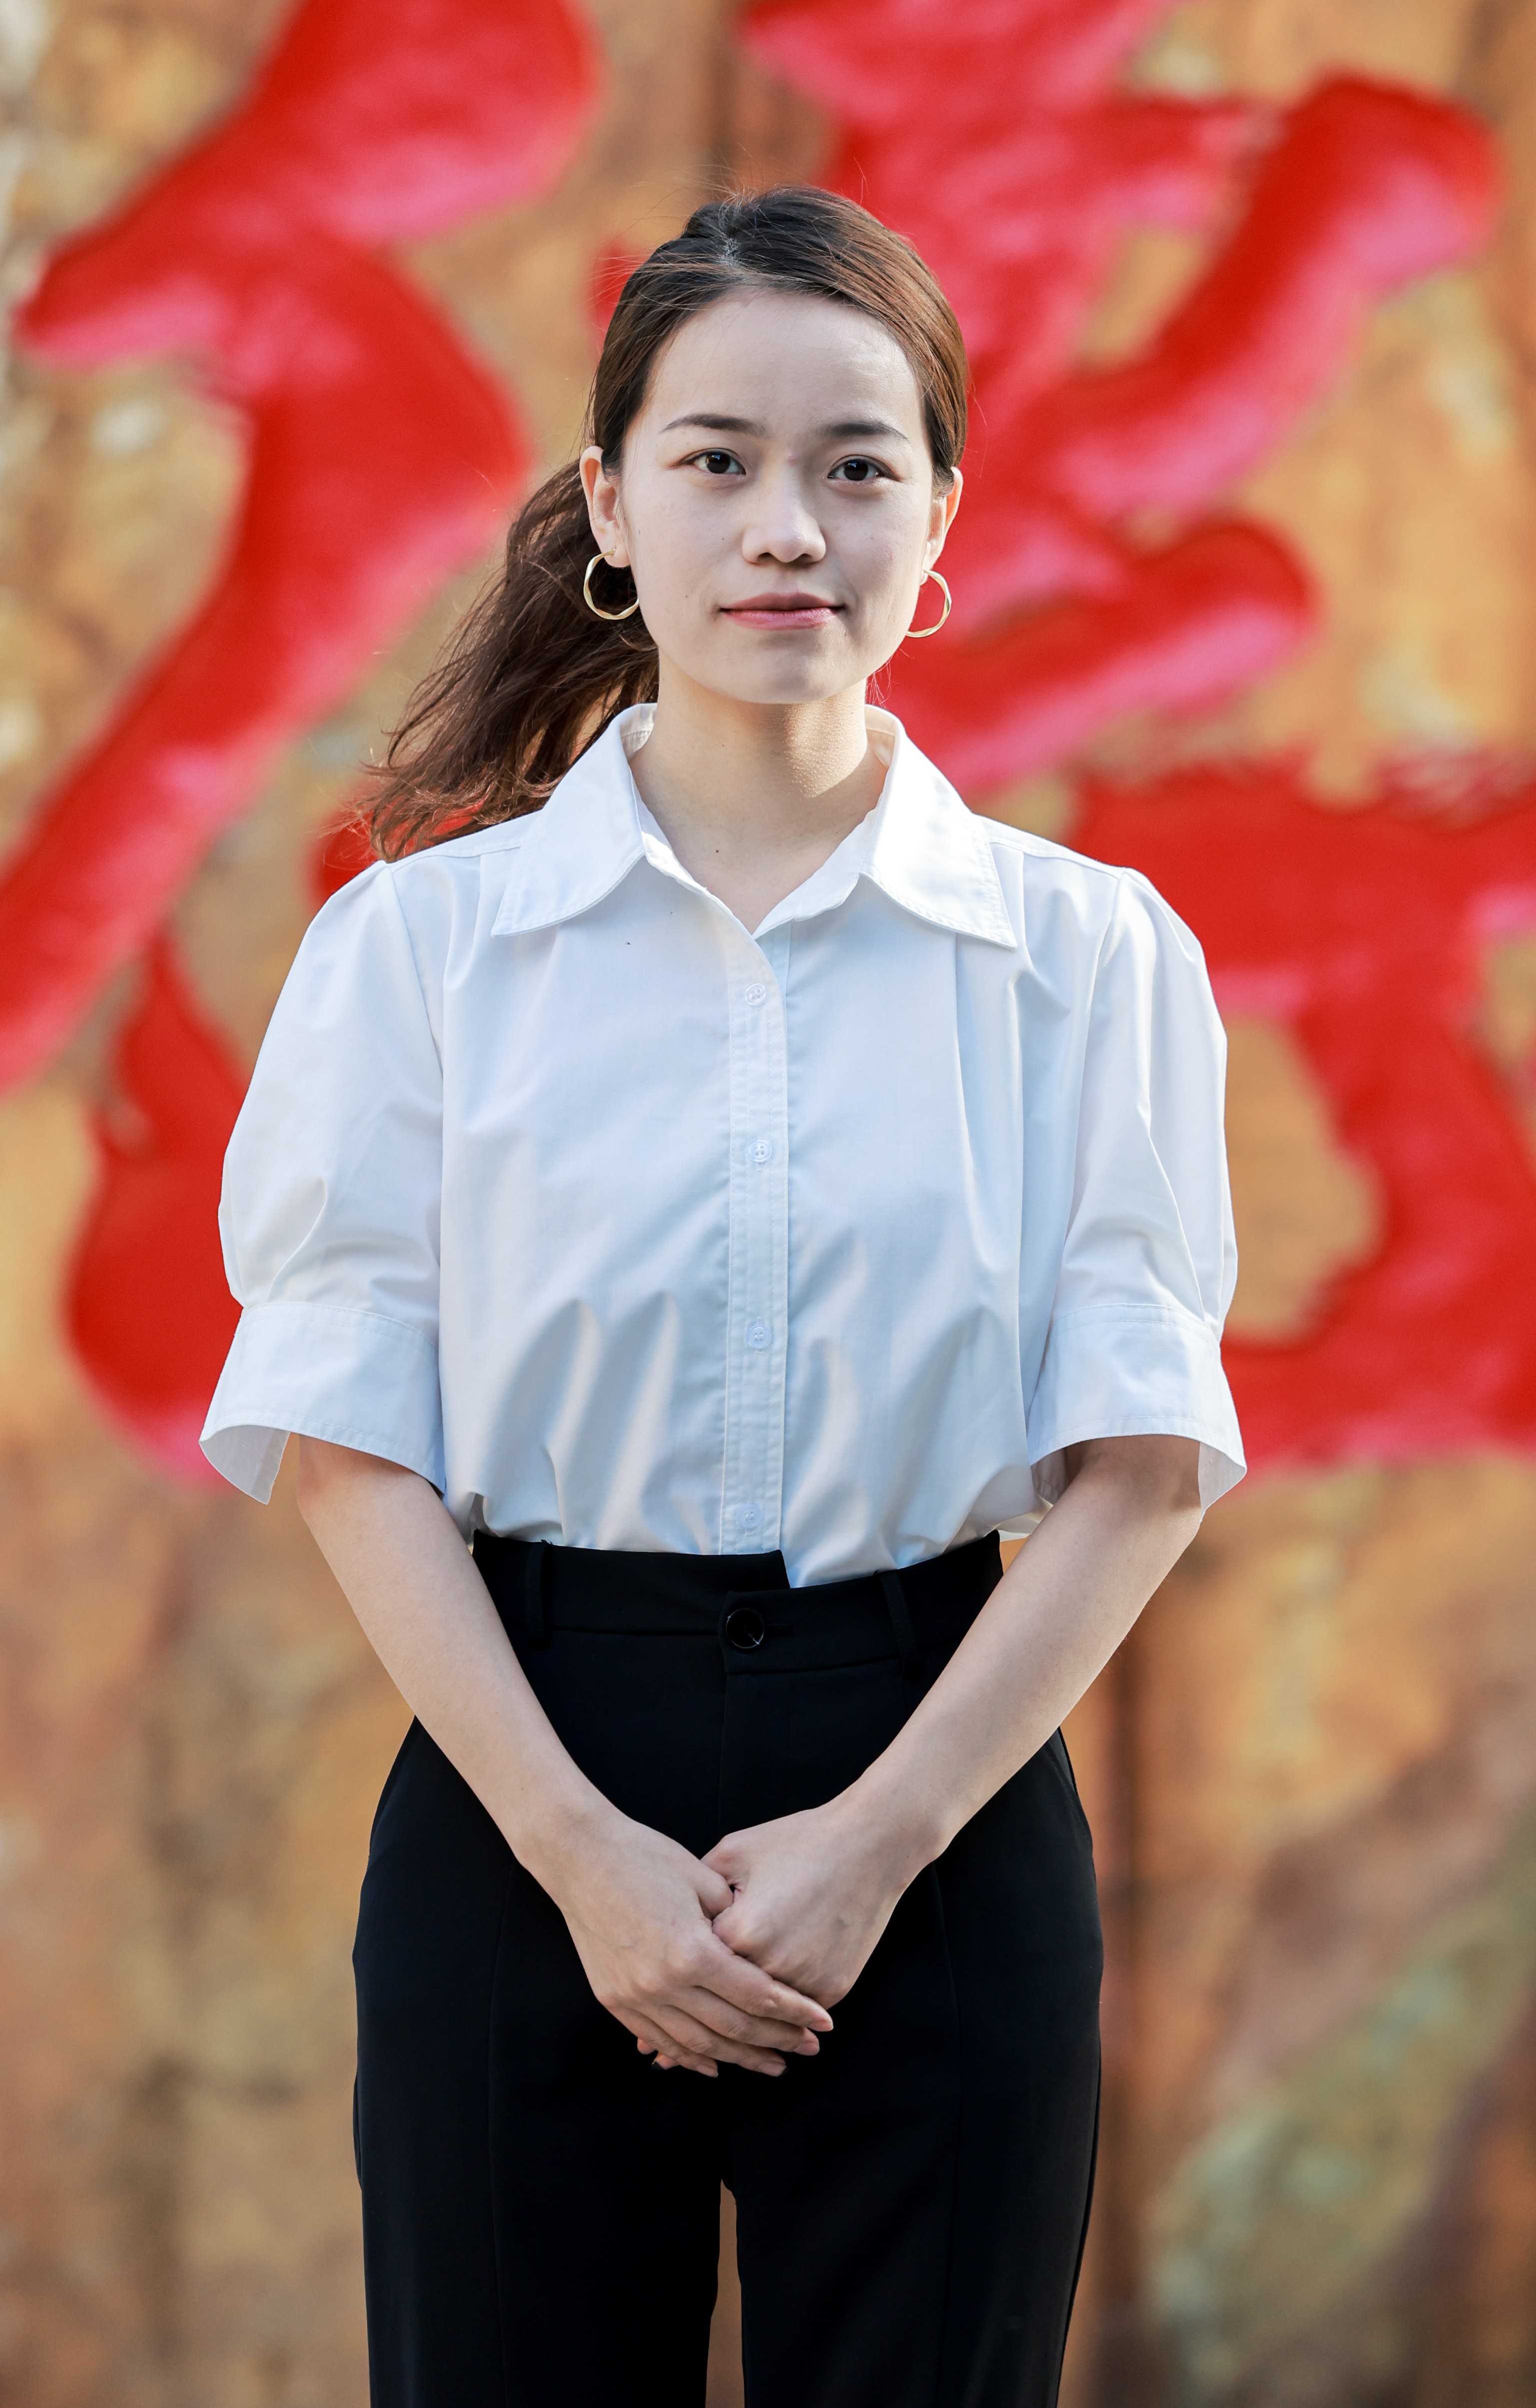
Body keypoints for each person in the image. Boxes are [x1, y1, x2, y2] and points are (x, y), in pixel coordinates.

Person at [202, 184, 1243, 2408]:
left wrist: (880, 1842)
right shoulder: (422, 953)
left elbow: (1142, 1459)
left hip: (938, 1779)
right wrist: (578, 1854)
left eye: (856, 465)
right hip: (526, 1775)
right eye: (717, 460)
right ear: (612, 503)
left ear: (936, 515)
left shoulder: (1084, 955)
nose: (788, 527)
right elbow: (348, 1433)